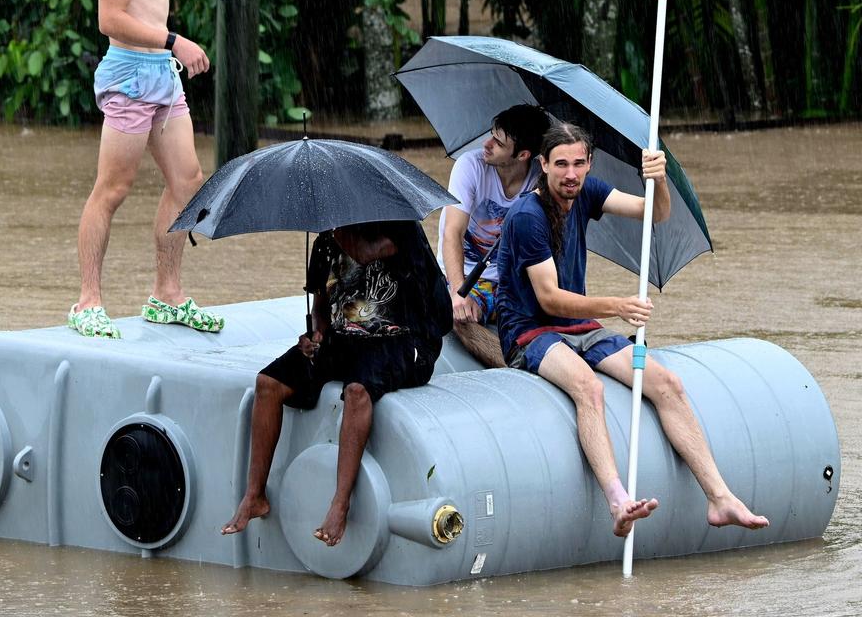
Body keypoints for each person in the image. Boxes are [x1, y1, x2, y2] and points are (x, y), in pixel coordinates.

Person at [496, 122, 769, 538]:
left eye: (579, 164)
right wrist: (617, 306)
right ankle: (618, 501)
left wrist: (658, 180)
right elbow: (549, 298)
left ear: (589, 164)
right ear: (543, 164)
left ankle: (720, 497)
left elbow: (654, 214)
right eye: (562, 164)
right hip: (530, 332)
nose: (571, 174)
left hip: (581, 326)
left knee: (666, 382)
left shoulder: (586, 191)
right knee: (589, 387)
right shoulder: (526, 217)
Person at [68, 0, 224, 339]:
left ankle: (167, 295)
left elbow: (146, 9)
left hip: (161, 72)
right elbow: (109, 19)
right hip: (130, 74)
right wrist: (176, 40)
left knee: (189, 180)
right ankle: (88, 302)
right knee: (112, 189)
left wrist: (169, 51)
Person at [221, 221, 452, 545]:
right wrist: (315, 333)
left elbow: (366, 251)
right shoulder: (325, 243)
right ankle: (254, 495)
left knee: (357, 392)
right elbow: (320, 310)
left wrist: (334, 228)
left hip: (404, 339)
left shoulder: (402, 229)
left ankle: (339, 504)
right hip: (346, 338)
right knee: (268, 383)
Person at [437, 105, 550, 368]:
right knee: (457, 316)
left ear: (523, 155)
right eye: (491, 135)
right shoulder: (470, 166)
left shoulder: (540, 180)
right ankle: (514, 370)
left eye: (498, 143)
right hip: (467, 275)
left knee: (552, 310)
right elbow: (452, 232)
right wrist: (458, 292)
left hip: (514, 277)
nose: (487, 144)